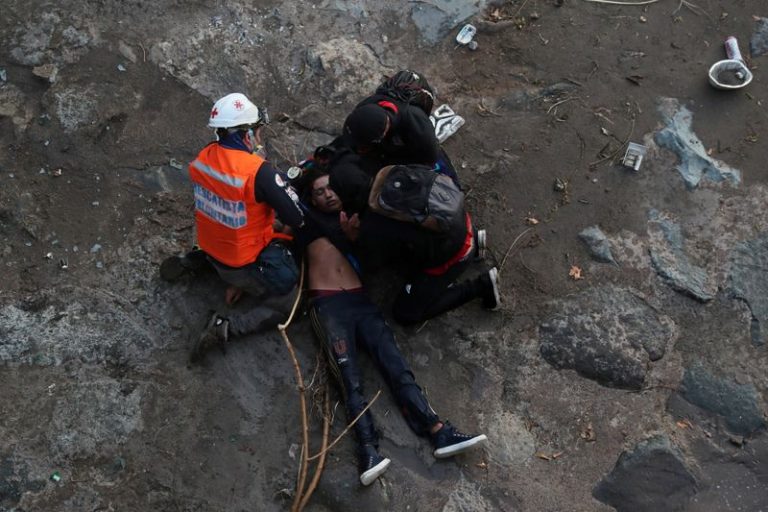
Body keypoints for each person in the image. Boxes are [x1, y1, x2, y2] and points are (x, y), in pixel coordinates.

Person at [300, 171, 488, 486]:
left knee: (397, 367)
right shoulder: (303, 222)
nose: (328, 195)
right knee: (349, 381)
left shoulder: (361, 221)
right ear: (311, 199)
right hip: (329, 307)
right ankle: (367, 450)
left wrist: (355, 235)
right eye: (319, 192)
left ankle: (438, 432)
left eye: (331, 187)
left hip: (361, 301)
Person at [161, 92, 304, 362]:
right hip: (241, 261)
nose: (260, 138)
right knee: (289, 298)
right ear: (246, 135)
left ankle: (196, 262)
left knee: (243, 225)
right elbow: (297, 217)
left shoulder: (205, 156)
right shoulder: (258, 172)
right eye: (258, 131)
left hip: (212, 243)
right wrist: (279, 184)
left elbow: (234, 190)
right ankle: (226, 328)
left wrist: (273, 182)